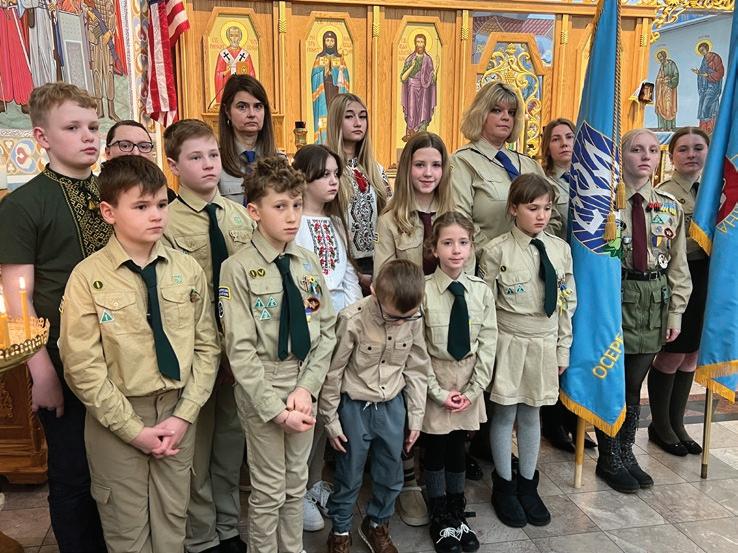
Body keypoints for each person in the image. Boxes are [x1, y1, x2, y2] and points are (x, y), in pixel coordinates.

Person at [60, 155, 220, 552]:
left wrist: (184, 415)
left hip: (177, 412)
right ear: (108, 212)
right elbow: (82, 366)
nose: (156, 215)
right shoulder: (87, 277)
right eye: (141, 206)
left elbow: (207, 346)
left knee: (173, 522)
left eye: (162, 204)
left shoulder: (186, 269)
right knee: (126, 531)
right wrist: (133, 430)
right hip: (117, 417)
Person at [0, 82, 109, 553]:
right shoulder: (24, 204)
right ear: (42, 137)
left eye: (93, 127)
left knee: (117, 471)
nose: (88, 137)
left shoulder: (113, 192)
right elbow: (17, 299)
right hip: (62, 358)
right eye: (73, 128)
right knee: (73, 473)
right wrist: (40, 369)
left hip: (123, 353)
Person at [219, 156, 337, 553]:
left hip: (302, 384)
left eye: (297, 205)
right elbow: (239, 350)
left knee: (295, 485)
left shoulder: (306, 262)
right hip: (263, 388)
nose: (291, 216)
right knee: (269, 489)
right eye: (280, 206)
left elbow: (326, 329)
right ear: (254, 211)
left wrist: (307, 388)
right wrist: (276, 409)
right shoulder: (237, 269)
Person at [161, 119, 254, 553]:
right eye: (195, 157)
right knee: (196, 450)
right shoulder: (166, 222)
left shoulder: (239, 217)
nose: (208, 164)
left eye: (213, 155)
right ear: (174, 164)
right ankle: (201, 537)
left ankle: (229, 527)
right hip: (194, 353)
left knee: (230, 444)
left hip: (237, 351)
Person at [595, 128, 691, 494]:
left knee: (634, 383)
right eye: (637, 149)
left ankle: (625, 451)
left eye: (652, 150)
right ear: (622, 155)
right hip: (615, 296)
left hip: (653, 300)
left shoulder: (669, 206)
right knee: (613, 379)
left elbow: (678, 265)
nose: (646, 156)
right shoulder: (605, 201)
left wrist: (676, 312)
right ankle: (609, 455)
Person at [478, 174, 576, 528]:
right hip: (509, 340)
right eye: (533, 208)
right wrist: (487, 355)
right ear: (513, 209)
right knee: (505, 414)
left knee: (533, 413)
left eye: (547, 208)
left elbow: (566, 304)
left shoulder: (560, 250)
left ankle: (527, 483)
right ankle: (504, 485)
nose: (541, 215)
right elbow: (485, 309)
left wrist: (563, 348)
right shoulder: (495, 251)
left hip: (544, 342)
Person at [320, 259, 429, 553]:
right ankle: (340, 530)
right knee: (349, 474)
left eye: (407, 317)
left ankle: (377, 523)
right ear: (374, 292)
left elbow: (417, 369)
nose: (400, 323)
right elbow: (333, 373)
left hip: (392, 406)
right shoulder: (352, 320)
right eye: (393, 316)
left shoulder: (412, 318)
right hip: (355, 408)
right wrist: (331, 420)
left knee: (391, 474)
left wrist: (416, 418)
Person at [292, 143, 361, 531]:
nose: (333, 181)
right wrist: (321, 318)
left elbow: (346, 271)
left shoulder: (335, 222)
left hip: (339, 322)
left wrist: (353, 314)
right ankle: (297, 489)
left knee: (326, 408)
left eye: (336, 174)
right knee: (308, 404)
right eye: (324, 175)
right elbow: (300, 280)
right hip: (310, 323)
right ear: (303, 178)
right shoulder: (294, 221)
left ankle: (315, 479)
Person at [422, 212, 497, 553]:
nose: (456, 250)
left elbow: (488, 344)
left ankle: (456, 509)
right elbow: (417, 349)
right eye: (448, 243)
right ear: (434, 248)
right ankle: (439, 514)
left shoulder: (481, 292)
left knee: (458, 448)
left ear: (471, 247)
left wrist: (474, 390)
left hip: (468, 382)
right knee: (435, 448)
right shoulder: (424, 291)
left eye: (463, 243)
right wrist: (437, 392)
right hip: (434, 382)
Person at [649, 127, 709, 457]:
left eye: (698, 148)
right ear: (671, 156)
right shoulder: (663, 196)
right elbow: (663, 246)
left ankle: (677, 422)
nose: (691, 154)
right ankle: (660, 425)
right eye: (683, 149)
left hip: (709, 277)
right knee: (673, 352)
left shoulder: (716, 192)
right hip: (680, 277)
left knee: (692, 353)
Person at [537, 118, 596, 452]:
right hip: (559, 268)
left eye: (569, 137)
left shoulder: (593, 182)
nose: (563, 143)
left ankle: (577, 415)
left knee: (581, 345)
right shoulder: (544, 184)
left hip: (588, 273)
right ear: (547, 146)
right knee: (557, 345)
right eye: (556, 138)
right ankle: (553, 421)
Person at [451, 81, 555, 257]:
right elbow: (459, 220)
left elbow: (553, 217)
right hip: (486, 263)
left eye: (511, 112)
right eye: (497, 110)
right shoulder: (462, 162)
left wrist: (536, 250)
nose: (506, 117)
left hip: (534, 261)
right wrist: (497, 255)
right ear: (480, 114)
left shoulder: (530, 165)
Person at [326, 92, 390, 291]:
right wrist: (353, 270)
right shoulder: (328, 170)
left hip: (379, 261)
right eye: (349, 116)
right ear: (336, 121)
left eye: (362, 117)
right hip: (341, 263)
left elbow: (389, 216)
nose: (358, 123)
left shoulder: (376, 170)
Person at [374, 131, 455, 278]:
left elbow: (466, 277)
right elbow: (383, 280)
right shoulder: (389, 222)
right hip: (405, 293)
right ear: (407, 168)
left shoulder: (456, 217)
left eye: (436, 165)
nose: (428, 173)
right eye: (420, 165)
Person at [218, 75, 278, 205]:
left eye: (258, 106)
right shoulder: (215, 161)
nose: (252, 114)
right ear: (227, 111)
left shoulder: (279, 160)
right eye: (242, 107)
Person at [311, 30, 350, 143]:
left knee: (335, 111)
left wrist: (338, 72)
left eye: (332, 40)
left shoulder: (340, 58)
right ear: (324, 42)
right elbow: (314, 76)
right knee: (325, 113)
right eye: (327, 40)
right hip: (324, 90)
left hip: (336, 90)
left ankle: (337, 139)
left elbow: (346, 79)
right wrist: (323, 72)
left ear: (335, 42)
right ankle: (322, 140)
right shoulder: (319, 57)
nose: (329, 43)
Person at [400, 34, 436, 141]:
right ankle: (410, 134)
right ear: (415, 43)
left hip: (424, 89)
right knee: (411, 111)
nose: (420, 44)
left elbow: (432, 79)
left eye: (422, 42)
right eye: (418, 42)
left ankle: (421, 135)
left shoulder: (428, 59)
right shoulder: (410, 59)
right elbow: (403, 78)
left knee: (423, 112)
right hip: (412, 87)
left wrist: (435, 73)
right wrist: (412, 66)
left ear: (425, 44)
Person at [214, 25, 256, 103]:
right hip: (228, 91)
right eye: (231, 35)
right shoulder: (223, 54)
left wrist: (245, 74)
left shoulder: (245, 55)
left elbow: (251, 74)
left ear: (240, 37)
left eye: (236, 36)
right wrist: (227, 71)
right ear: (228, 37)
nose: (234, 38)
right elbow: (218, 75)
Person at [692, 42, 724, 134]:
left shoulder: (715, 57)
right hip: (704, 87)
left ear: (707, 48)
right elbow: (703, 73)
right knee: (705, 106)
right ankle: (704, 129)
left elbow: (720, 73)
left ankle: (710, 128)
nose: (702, 52)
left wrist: (708, 75)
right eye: (700, 51)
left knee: (706, 107)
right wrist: (699, 73)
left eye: (702, 50)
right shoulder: (704, 59)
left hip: (713, 86)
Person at [655, 50, 679, 132]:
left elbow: (676, 75)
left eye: (661, 57)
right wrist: (660, 80)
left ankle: (669, 127)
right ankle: (662, 126)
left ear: (664, 56)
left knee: (669, 106)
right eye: (659, 58)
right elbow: (658, 78)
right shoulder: (661, 66)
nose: (660, 59)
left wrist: (669, 80)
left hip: (670, 89)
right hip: (662, 90)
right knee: (661, 105)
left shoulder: (671, 64)